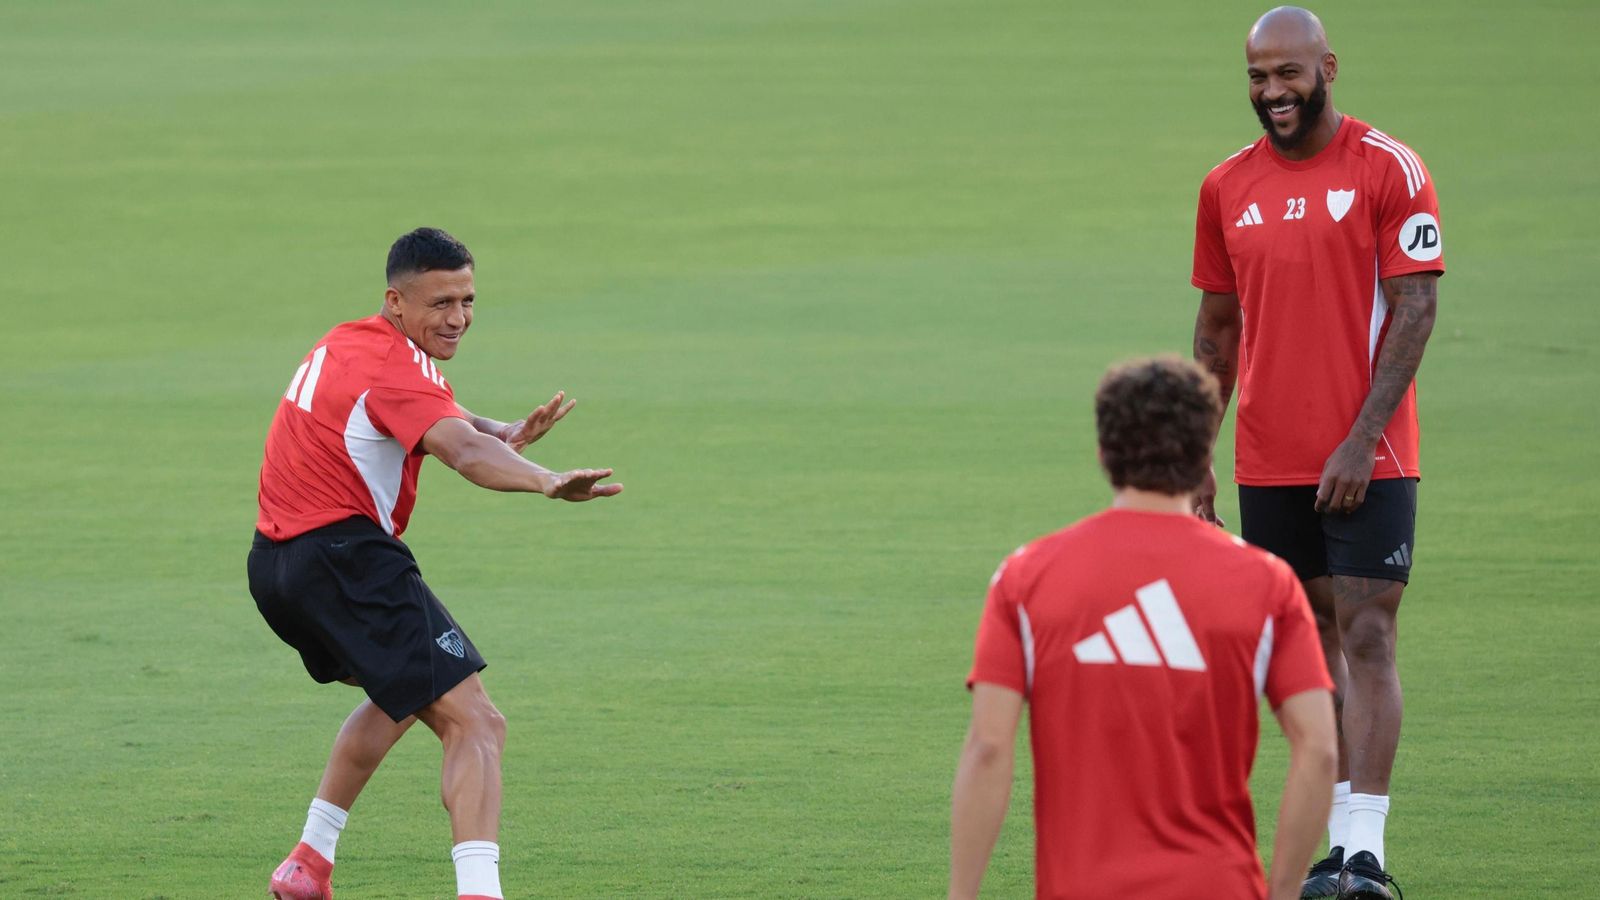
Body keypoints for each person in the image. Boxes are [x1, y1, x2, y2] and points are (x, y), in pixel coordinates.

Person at [248, 227, 622, 900]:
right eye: (440, 303)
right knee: (477, 722)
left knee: (402, 694)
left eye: (467, 300)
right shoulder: (397, 368)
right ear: (397, 301)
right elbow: (461, 453)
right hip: (347, 562)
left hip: (276, 567)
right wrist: (545, 480)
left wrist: (500, 430)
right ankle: (480, 892)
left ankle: (309, 861)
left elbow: (430, 408)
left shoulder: (347, 340)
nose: (457, 318)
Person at [1189, 7, 1442, 898]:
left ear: (1326, 67)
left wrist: (1362, 439)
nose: (1273, 92)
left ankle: (1365, 854)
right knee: (1310, 645)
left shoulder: (1389, 167)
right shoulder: (1226, 186)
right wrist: (1196, 449)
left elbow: (1416, 308)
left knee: (1367, 630)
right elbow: (1217, 328)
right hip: (1268, 457)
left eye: (1287, 73)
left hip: (1371, 455)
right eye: (1258, 77)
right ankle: (1337, 852)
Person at [950, 357, 1338, 900]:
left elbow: (989, 747)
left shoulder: (1026, 578)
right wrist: (1282, 892)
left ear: (1103, 453)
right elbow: (1319, 749)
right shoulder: (1268, 584)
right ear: (1204, 457)